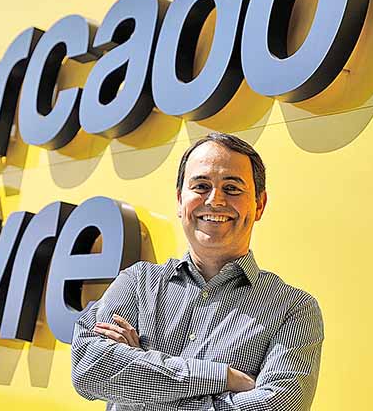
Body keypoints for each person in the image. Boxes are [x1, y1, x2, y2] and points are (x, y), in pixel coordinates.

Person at [71, 132, 324, 411]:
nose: (215, 200)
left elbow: (279, 406)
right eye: (201, 186)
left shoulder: (293, 309)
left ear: (259, 205)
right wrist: (222, 377)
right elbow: (87, 368)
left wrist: (139, 379)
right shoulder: (137, 283)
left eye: (232, 188)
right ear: (180, 201)